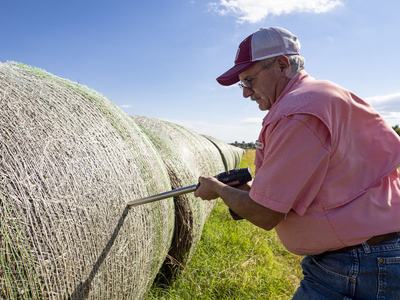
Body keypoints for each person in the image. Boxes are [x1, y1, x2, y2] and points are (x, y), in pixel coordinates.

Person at [194, 27, 400, 299]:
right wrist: (247, 191)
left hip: (357, 266)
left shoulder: (299, 112)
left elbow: (266, 214)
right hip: (364, 257)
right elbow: (319, 186)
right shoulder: (321, 96)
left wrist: (218, 189)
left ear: (281, 64)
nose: (246, 93)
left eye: (249, 80)